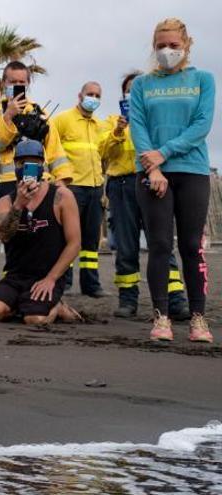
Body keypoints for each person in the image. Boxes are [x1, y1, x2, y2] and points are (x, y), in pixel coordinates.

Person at [130, 18, 215, 343]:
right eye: (161, 46)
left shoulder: (203, 80)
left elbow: (201, 124)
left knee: (192, 246)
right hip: (152, 173)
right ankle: (161, 316)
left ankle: (197, 318)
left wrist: (163, 154)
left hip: (191, 170)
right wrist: (153, 168)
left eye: (173, 46)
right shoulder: (142, 85)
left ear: (186, 45)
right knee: (160, 246)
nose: (166, 51)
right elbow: (138, 127)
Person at [99, 72, 189, 320]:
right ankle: (128, 300)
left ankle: (175, 300)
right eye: (129, 90)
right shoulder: (110, 122)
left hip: (152, 179)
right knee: (126, 245)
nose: (132, 94)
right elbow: (102, 151)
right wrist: (118, 131)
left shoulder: (156, 120)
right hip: (121, 184)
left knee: (161, 243)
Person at [0, 140, 81, 325]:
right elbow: (4, 235)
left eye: (34, 163)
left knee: (35, 319)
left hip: (48, 276)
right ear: (15, 166)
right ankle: (21, 302)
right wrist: (19, 204)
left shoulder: (61, 197)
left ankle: (56, 306)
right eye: (22, 163)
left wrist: (51, 279)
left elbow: (74, 244)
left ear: (43, 166)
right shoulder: (6, 201)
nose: (27, 168)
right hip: (16, 276)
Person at [51, 81, 111, 297]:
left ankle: (91, 285)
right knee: (67, 236)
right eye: (90, 94)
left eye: (97, 95)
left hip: (95, 187)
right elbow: (50, 147)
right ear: (80, 95)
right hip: (72, 187)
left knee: (91, 239)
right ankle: (64, 282)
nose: (93, 98)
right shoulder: (62, 119)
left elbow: (103, 152)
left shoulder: (99, 125)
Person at [0, 61, 72, 198]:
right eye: (12, 82)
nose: (17, 85)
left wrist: (62, 180)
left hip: (41, 180)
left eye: (21, 82)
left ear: (27, 84)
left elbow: (55, 149)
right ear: (3, 83)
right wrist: (8, 116)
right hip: (10, 182)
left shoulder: (40, 111)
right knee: (12, 219)